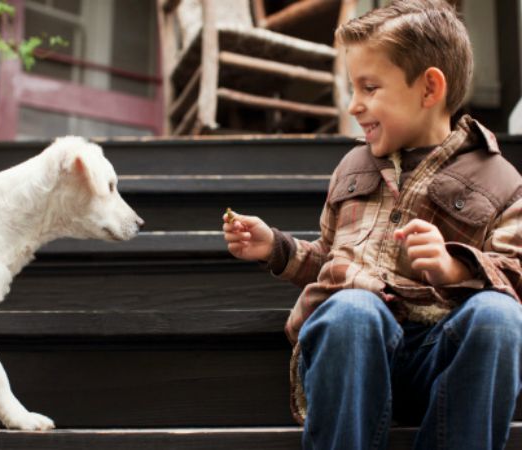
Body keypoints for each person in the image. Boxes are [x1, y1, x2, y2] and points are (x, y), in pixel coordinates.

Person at [222, 1, 522, 449]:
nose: (354, 105)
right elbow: (327, 258)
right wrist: (276, 248)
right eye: (351, 88)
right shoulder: (351, 167)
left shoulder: (501, 181)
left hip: (442, 365)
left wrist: (453, 268)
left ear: (429, 89)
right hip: (351, 356)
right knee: (351, 309)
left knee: (500, 317)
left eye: (369, 87)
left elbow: (516, 273)